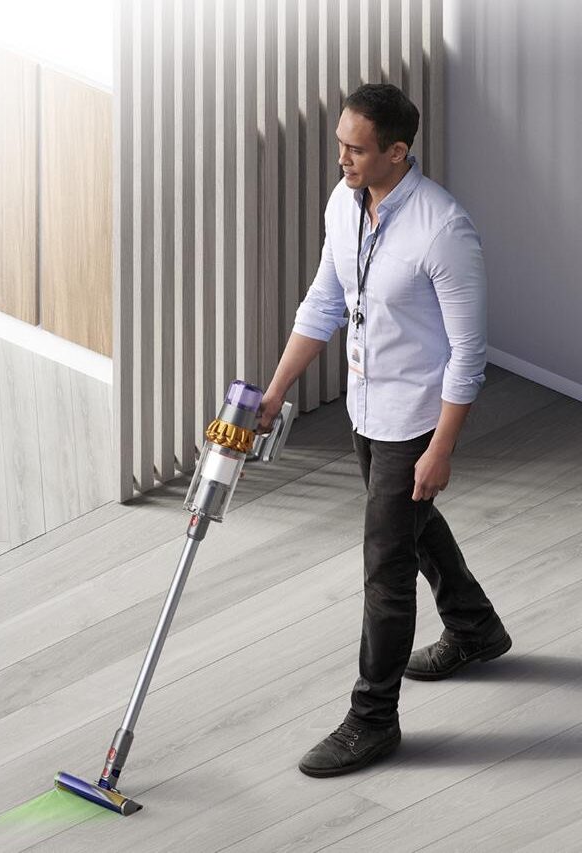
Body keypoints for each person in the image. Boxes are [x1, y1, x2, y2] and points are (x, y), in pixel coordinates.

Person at [256, 83, 511, 778]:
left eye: (356, 148)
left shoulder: (442, 229)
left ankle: (373, 718)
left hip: (414, 422)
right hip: (365, 409)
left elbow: (469, 352)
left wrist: (442, 447)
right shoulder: (346, 204)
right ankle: (476, 627)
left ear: (398, 151)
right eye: (340, 142)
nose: (341, 156)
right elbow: (325, 299)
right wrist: (276, 393)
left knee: (385, 570)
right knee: (412, 525)